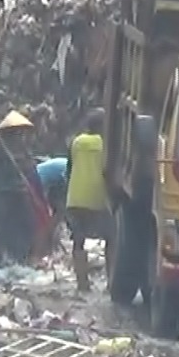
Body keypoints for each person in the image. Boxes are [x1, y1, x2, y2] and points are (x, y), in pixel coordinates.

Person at [0, 110, 51, 264]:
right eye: (18, 133)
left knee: (27, 228)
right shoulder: (1, 153)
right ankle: (1, 259)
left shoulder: (23, 151)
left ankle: (22, 258)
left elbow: (30, 170)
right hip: (6, 195)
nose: (22, 137)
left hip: (23, 195)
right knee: (4, 229)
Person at [64, 111, 108, 293]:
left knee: (78, 240)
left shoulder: (76, 142)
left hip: (75, 198)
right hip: (98, 198)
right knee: (110, 238)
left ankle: (82, 284)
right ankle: (110, 284)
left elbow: (69, 169)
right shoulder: (106, 144)